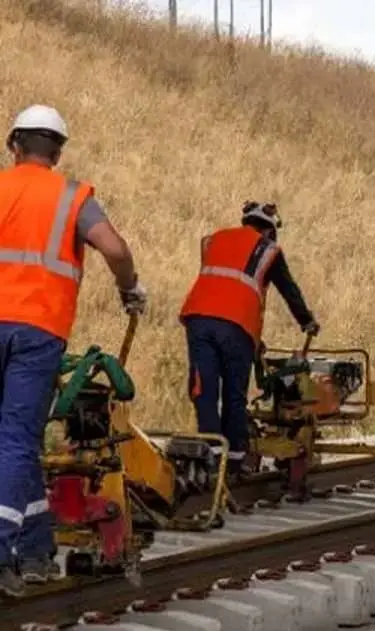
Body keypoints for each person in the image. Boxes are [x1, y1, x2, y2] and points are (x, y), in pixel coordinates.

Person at [0, 105, 145, 597]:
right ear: (57, 152)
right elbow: (116, 250)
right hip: (39, 330)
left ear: (13, 145)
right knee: (18, 441)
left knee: (14, 444)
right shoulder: (71, 196)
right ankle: (6, 553)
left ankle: (37, 549)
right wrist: (129, 289)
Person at [179, 201, 319, 480]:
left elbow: (222, 286)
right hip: (237, 327)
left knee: (203, 388)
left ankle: (211, 454)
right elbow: (288, 289)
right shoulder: (268, 250)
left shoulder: (213, 240)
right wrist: (307, 321)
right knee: (234, 393)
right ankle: (233, 461)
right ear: (269, 230)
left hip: (198, 319)